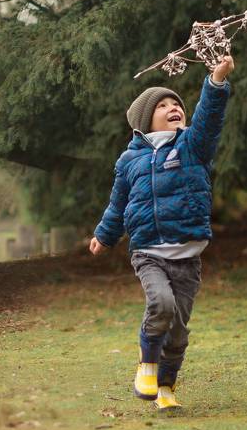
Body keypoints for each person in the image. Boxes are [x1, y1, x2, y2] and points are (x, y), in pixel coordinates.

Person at [88, 55, 235, 410]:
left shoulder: (192, 146)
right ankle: (147, 365)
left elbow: (209, 119)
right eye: (163, 105)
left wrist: (216, 81)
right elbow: (118, 204)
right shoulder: (129, 161)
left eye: (177, 104)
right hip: (148, 252)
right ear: (144, 120)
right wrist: (104, 235)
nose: (174, 108)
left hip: (187, 255)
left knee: (179, 331)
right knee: (161, 304)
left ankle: (166, 387)